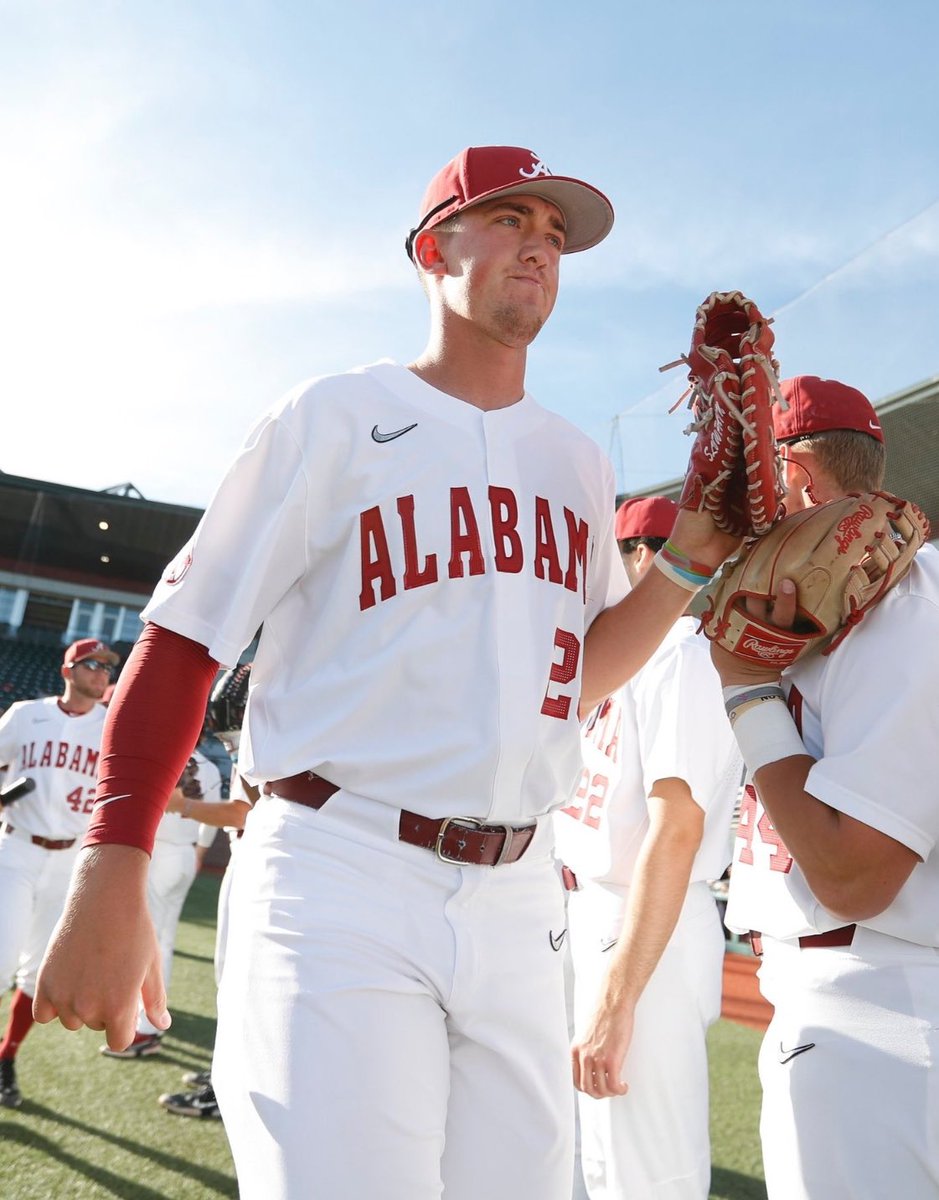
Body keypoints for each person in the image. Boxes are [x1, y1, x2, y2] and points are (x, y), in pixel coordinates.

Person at [34, 145, 738, 1199]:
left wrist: (689, 565)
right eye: (511, 222)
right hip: (342, 864)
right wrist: (113, 857)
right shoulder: (331, 415)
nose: (541, 248)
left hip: (516, 896)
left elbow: (573, 678)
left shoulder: (578, 462)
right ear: (431, 248)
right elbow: (185, 638)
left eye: (556, 237)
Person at [716, 375, 939, 1199]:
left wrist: (745, 691)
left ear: (798, 474)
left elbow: (854, 876)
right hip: (846, 1001)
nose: (723, 504)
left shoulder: (905, 610)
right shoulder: (817, 606)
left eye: (742, 478)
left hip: (876, 1000)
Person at [558, 495, 744, 1199]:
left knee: (643, 1168)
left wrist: (619, 992)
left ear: (643, 556)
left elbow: (677, 829)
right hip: (586, 907)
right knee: (581, 1154)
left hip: (640, 921)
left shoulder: (683, 655)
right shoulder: (615, 651)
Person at [0, 637, 118, 1108]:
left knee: (38, 975)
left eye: (108, 667)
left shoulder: (112, 725)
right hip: (17, 848)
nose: (101, 673)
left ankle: (5, 1058)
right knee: (2, 960)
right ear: (68, 669)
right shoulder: (25, 714)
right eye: (92, 664)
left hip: (73, 860)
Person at [100, 750, 221, 1058]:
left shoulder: (160, 753)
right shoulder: (208, 765)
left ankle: (146, 1028)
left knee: (148, 944)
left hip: (158, 852)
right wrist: (200, 853)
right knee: (162, 942)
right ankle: (152, 1016)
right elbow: (213, 816)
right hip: (184, 853)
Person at [157, 768, 252, 1119]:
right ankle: (225, 1075)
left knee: (237, 982)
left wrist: (184, 806)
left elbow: (244, 812)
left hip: (262, 860)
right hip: (251, 856)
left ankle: (226, 1089)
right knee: (228, 977)